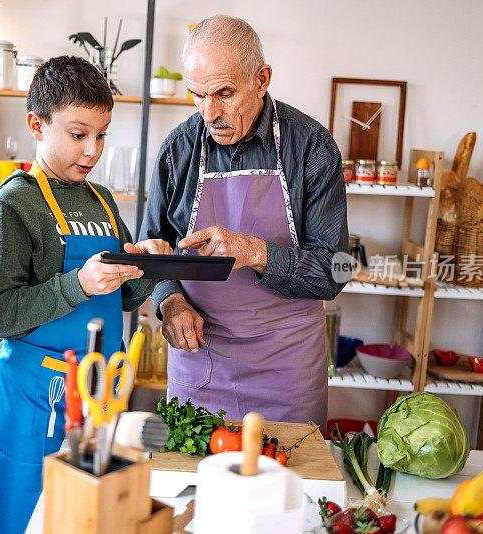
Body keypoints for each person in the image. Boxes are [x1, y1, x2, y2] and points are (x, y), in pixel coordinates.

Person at [0, 56, 171, 533]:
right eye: (79, 134)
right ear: (36, 125)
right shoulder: (14, 203)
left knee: (89, 514)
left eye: (101, 135)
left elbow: (125, 297)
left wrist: (148, 262)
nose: (92, 150)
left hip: (100, 387)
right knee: (22, 515)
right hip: (35, 394)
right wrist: (77, 284)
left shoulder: (101, 200)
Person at [139, 15, 349, 429]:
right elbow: (152, 250)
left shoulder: (312, 147)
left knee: (286, 488)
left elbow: (335, 270)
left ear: (262, 79)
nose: (210, 112)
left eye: (224, 93)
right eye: (197, 96)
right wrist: (170, 301)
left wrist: (255, 252)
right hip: (200, 363)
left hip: (287, 373)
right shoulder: (177, 150)